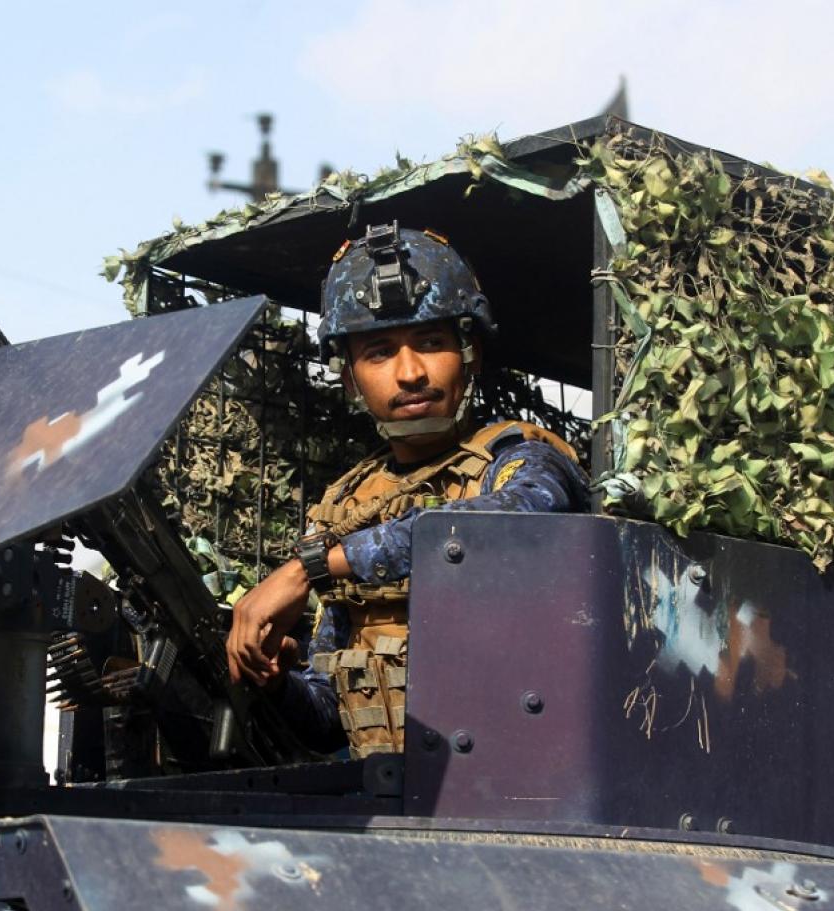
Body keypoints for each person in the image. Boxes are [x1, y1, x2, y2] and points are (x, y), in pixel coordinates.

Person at [225, 222, 589, 757]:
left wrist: (314, 567)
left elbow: (516, 517)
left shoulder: (520, 461)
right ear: (349, 377)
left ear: (469, 354)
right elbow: (331, 720)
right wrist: (278, 682)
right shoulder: (347, 506)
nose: (411, 373)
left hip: (516, 780)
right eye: (379, 352)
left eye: (431, 343)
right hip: (390, 792)